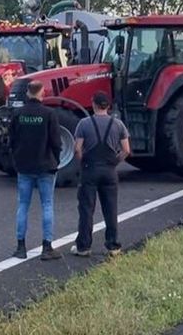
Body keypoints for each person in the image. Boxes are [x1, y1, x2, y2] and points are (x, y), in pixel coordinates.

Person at [71, 91, 130, 257]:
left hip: (90, 169)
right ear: (108, 106)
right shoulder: (118, 125)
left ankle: (83, 246)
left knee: (86, 209)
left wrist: (83, 161)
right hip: (109, 170)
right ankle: (113, 246)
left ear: (93, 104)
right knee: (110, 208)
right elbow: (126, 150)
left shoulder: (84, 123)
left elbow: (77, 148)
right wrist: (115, 162)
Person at [8, 80, 62, 261]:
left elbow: (12, 140)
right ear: (42, 93)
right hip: (46, 165)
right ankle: (47, 247)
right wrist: (56, 160)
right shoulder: (49, 114)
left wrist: (17, 159)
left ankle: (21, 246)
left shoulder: (18, 114)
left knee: (23, 205)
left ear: (27, 93)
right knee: (47, 205)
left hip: (24, 166)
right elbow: (56, 142)